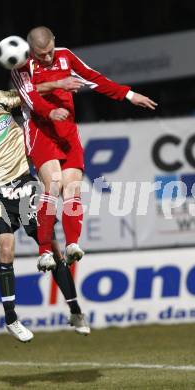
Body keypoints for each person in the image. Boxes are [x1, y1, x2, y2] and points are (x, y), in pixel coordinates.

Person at [0, 77, 90, 343]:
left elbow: (30, 92)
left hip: (25, 183)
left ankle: (74, 310)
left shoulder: (1, 101)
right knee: (6, 247)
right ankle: (11, 318)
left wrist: (57, 83)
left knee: (51, 247)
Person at [11, 26, 158, 269]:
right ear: (31, 50)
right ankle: (44, 251)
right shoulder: (21, 66)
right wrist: (51, 109)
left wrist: (129, 95)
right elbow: (29, 97)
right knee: (53, 183)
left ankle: (72, 245)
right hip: (40, 130)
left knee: (72, 189)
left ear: (54, 42)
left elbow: (94, 79)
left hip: (66, 130)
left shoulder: (66, 56)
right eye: (41, 54)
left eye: (49, 52)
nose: (46, 58)